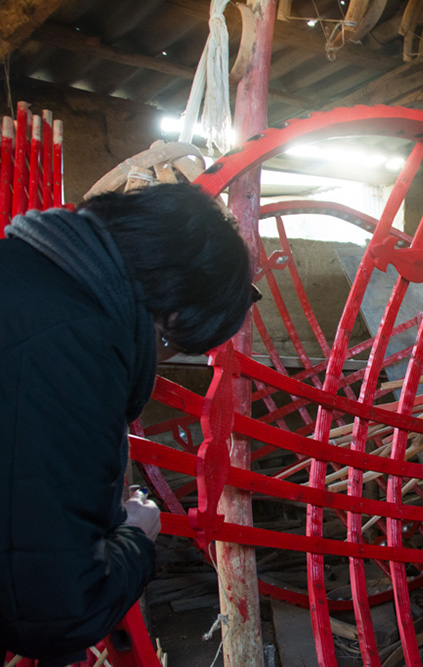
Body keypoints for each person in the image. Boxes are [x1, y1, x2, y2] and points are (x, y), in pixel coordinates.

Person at [0, 183, 258, 665]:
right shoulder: (76, 347)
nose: (154, 363)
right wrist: (136, 537)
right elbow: (58, 611)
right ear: (173, 312)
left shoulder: (22, 278)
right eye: (169, 348)